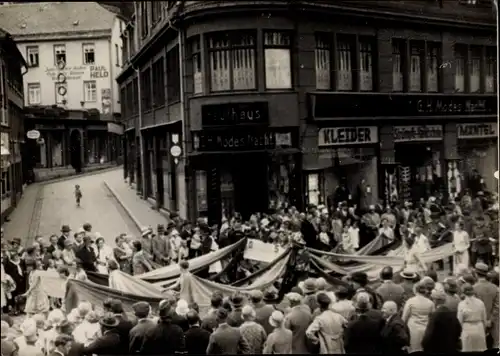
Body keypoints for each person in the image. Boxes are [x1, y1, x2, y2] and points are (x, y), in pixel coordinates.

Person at [401, 281, 435, 353]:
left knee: (414, 351)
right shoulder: (430, 303)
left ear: (415, 290)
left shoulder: (410, 301)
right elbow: (433, 319)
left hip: (412, 330)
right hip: (426, 330)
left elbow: (404, 318)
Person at [457, 283, 488, 351]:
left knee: (468, 349)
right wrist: (484, 330)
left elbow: (459, 320)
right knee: (480, 350)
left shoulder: (461, 304)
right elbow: (484, 318)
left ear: (463, 292)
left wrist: (459, 333)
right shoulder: (481, 303)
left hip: (467, 328)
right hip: (479, 328)